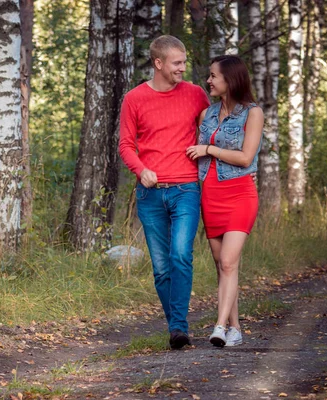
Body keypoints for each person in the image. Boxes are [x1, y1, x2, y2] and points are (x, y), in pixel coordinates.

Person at [119, 35, 210, 349]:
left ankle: (179, 327)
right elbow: (126, 145)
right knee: (160, 268)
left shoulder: (196, 94)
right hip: (151, 194)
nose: (182, 69)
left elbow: (213, 128)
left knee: (180, 255)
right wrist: (140, 169)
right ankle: (176, 328)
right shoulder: (134, 98)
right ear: (158, 63)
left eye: (184, 62)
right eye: (177, 63)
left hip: (187, 188)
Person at [186, 55, 264, 347]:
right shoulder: (207, 114)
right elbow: (192, 151)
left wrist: (209, 148)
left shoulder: (252, 113)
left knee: (230, 261)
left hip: (240, 193)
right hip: (211, 193)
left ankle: (219, 327)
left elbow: (245, 157)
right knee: (222, 264)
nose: (208, 81)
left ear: (231, 79)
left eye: (214, 76)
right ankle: (235, 328)